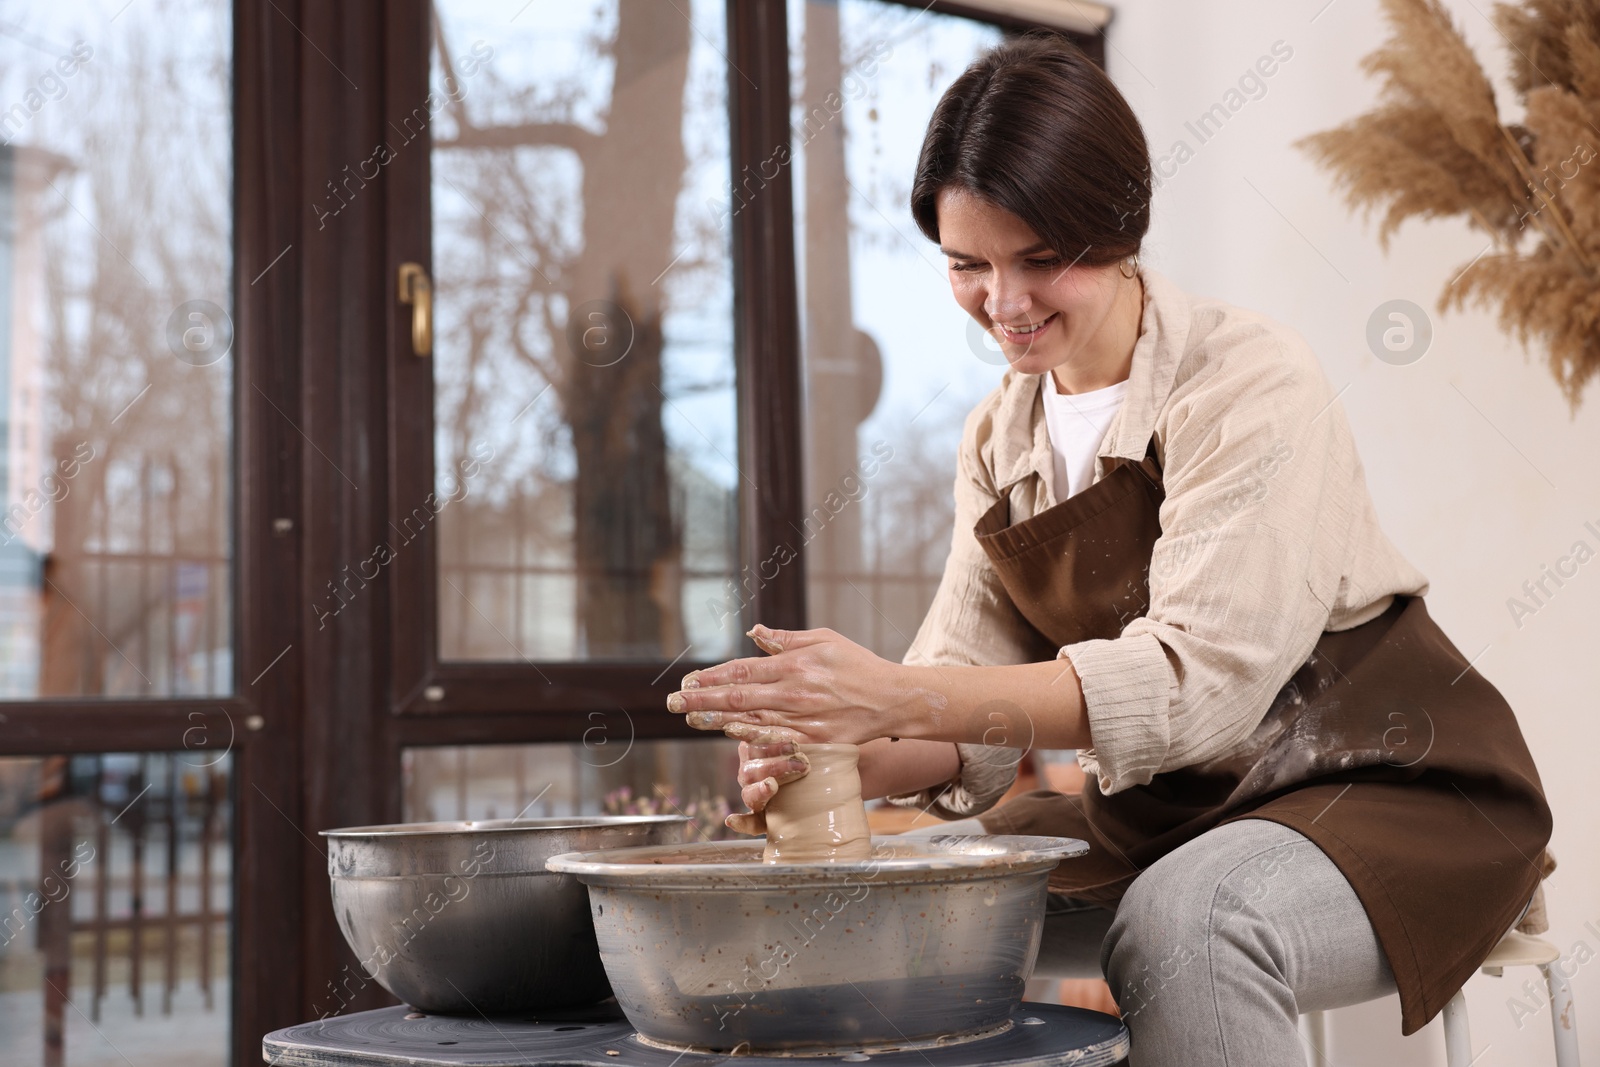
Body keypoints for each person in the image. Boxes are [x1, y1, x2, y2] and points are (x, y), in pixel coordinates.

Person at [665, 33, 1552, 1066]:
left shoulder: (1248, 380)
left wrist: (894, 696)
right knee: (903, 897)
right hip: (1171, 811)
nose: (1003, 301)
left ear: (1121, 229)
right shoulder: (1000, 439)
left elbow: (1195, 684)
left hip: (1388, 782)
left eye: (1041, 258)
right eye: (967, 263)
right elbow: (968, 696)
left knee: (1188, 924)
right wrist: (833, 745)